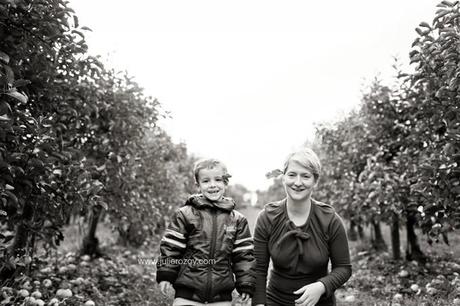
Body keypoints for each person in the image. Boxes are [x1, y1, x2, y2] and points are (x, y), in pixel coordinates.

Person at [252, 148, 352, 306]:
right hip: (276, 300)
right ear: (283, 177)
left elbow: (344, 268)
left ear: (315, 181)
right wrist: (258, 304)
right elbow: (258, 270)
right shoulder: (267, 218)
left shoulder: (330, 220)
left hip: (320, 302)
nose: (298, 183)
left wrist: (321, 286)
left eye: (305, 176)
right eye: (292, 175)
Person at [156, 158, 255, 306]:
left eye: (218, 180)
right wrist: (166, 274)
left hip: (221, 295)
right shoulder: (185, 214)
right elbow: (171, 247)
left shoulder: (237, 220)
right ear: (198, 185)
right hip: (187, 292)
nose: (213, 185)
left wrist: (245, 284)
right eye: (206, 181)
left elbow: (244, 256)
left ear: (225, 183)